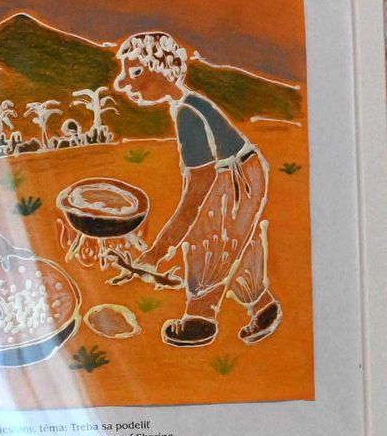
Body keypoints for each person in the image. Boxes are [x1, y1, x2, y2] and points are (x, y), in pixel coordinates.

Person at [108, 30, 279, 346]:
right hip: (243, 172)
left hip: (235, 178)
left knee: (210, 239)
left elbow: (197, 192)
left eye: (136, 72)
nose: (123, 83)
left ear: (162, 69)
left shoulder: (188, 113)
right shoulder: (188, 104)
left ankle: (200, 319)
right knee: (238, 239)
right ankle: (262, 305)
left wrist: (159, 251)